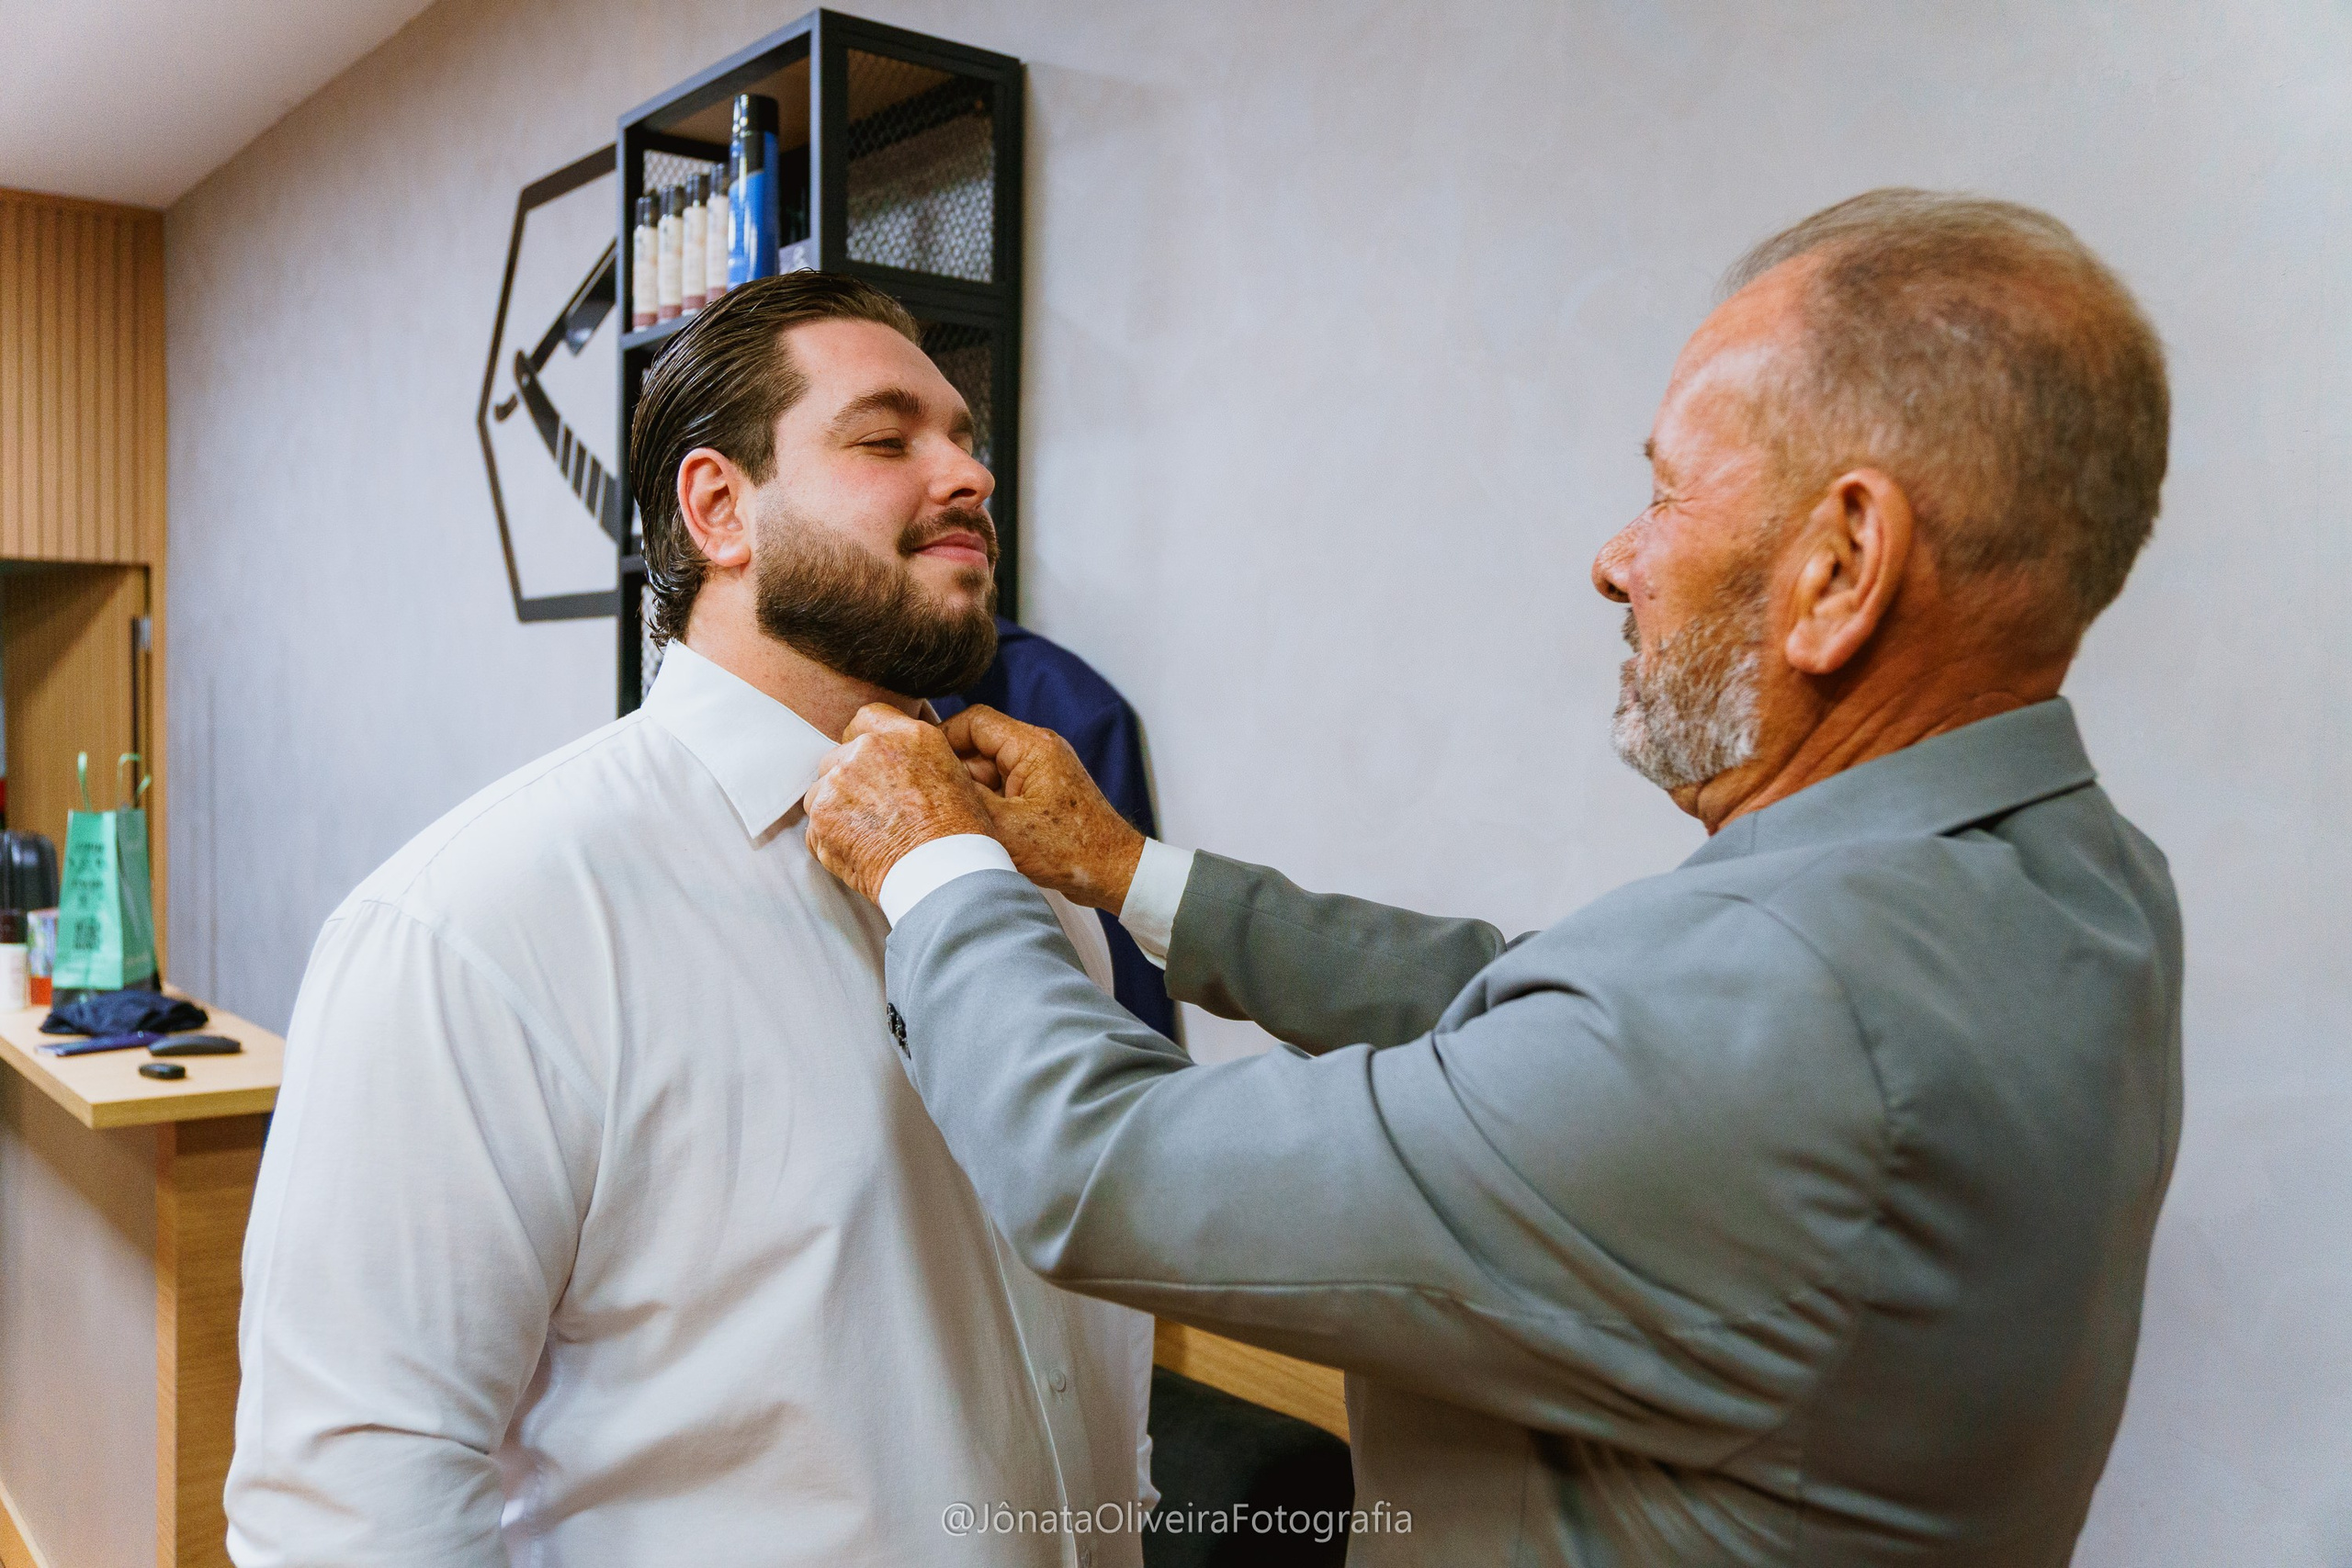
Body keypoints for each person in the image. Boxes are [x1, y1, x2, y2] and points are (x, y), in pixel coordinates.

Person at [799, 190, 2183, 1566]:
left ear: (1841, 566)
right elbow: (1542, 1021)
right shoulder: (2078, 874)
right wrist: (1124, 871)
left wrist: (940, 869)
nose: (1615, 560)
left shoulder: (1786, 1009)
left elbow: (1097, 1170)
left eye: (1663, 493)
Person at [227, 274, 1155, 1566]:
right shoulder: (476, 927)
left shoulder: (1042, 899)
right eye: (890, 439)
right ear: (721, 508)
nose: (969, 476)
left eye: (967, 438)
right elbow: (357, 1505)